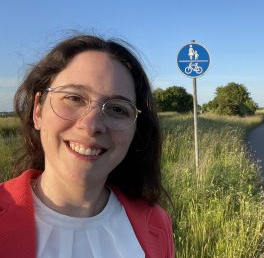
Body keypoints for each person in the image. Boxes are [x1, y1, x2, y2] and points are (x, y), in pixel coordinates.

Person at [0, 34, 174, 257]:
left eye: (118, 109)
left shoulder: (157, 224)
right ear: (38, 111)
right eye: (73, 98)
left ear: (135, 130)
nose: (91, 125)